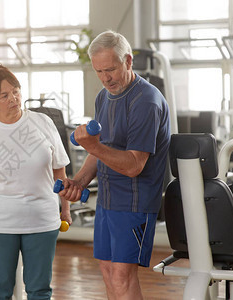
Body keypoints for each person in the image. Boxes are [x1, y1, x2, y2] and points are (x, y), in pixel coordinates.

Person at [60, 30, 171, 300]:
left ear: (128, 61)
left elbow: (134, 165)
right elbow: (100, 151)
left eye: (110, 69)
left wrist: (92, 145)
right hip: (108, 200)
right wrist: (79, 181)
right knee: (108, 270)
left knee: (122, 274)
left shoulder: (145, 100)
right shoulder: (103, 97)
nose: (105, 78)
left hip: (135, 200)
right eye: (99, 71)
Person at [0, 62, 72, 300]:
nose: (14, 99)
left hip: (42, 219)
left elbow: (60, 171)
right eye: (5, 95)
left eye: (16, 91)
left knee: (40, 291)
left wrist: (66, 209)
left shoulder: (42, 123)